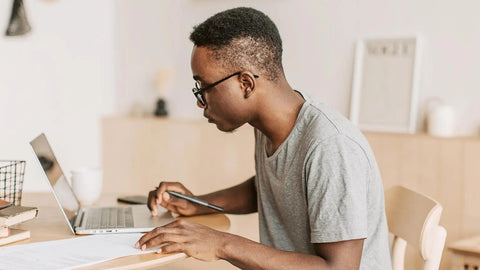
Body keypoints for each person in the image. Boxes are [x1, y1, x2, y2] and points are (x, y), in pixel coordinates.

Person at [136, 7, 392, 270]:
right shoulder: (268, 126)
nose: (201, 103)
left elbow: (338, 268)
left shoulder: (330, 146)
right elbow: (271, 189)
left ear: (246, 84)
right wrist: (199, 203)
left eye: (204, 88)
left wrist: (222, 244)